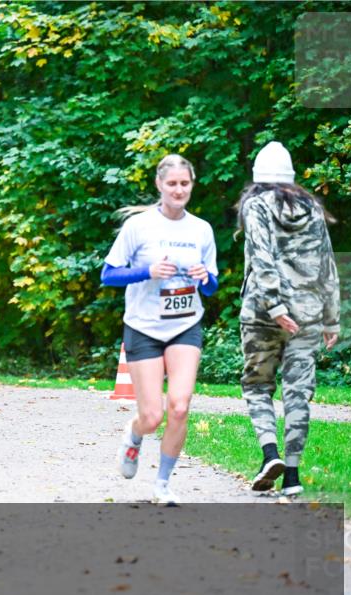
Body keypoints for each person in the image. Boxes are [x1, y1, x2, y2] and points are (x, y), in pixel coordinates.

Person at [101, 154, 219, 505]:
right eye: (172, 183)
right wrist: (147, 271)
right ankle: (135, 435)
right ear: (159, 185)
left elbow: (212, 286)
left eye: (185, 183)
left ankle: (162, 484)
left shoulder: (201, 229)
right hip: (144, 326)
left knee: (180, 406)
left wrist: (205, 278)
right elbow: (108, 275)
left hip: (185, 325)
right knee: (152, 416)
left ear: (192, 185)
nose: (179, 189)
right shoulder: (139, 227)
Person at [237, 141, 340, 496]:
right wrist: (332, 317)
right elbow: (326, 263)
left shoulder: (255, 205)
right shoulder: (312, 208)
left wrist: (275, 306)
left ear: (257, 177)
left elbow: (262, 257)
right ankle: (292, 477)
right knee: (298, 394)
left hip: (262, 314)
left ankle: (269, 454)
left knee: (257, 386)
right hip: (308, 315)